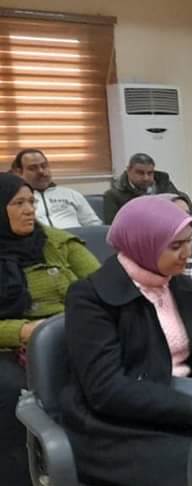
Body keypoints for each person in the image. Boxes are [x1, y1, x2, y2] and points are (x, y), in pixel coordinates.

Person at [62, 196, 192, 486]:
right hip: (118, 426)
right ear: (143, 244)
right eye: (175, 246)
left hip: (185, 404)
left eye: (189, 242)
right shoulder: (90, 296)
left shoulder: (178, 284)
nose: (187, 253)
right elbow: (106, 389)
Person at [0, 173, 99, 486]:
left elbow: (102, 287)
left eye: (31, 202)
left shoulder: (58, 242)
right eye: (18, 203)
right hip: (11, 345)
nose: (29, 210)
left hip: (74, 332)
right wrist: (25, 331)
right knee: (11, 394)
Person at [11, 149, 102, 228]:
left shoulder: (71, 194)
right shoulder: (16, 199)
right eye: (33, 168)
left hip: (75, 239)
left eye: (44, 166)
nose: (41, 171)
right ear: (19, 172)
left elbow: (94, 225)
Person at [103, 153, 187, 223]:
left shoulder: (164, 184)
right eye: (140, 173)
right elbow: (112, 228)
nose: (146, 178)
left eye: (150, 173)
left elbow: (181, 211)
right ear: (129, 170)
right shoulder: (113, 195)